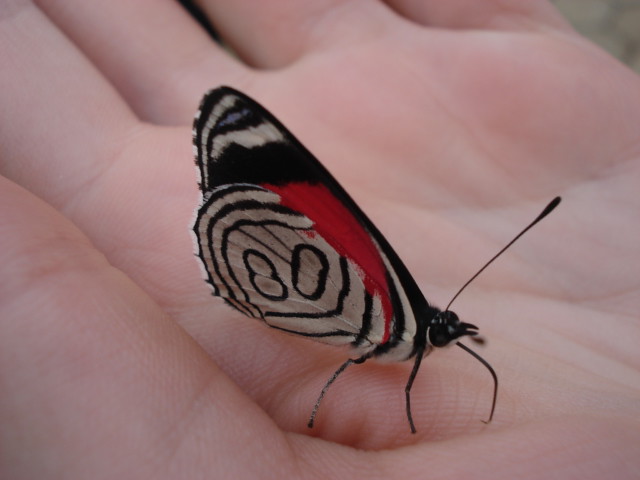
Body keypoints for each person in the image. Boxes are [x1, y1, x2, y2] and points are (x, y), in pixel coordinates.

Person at [1, 1, 638, 478]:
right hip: (268, 262)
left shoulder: (405, 331)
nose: (448, 337)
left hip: (282, 283)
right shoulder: (393, 319)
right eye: (443, 332)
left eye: (448, 332)